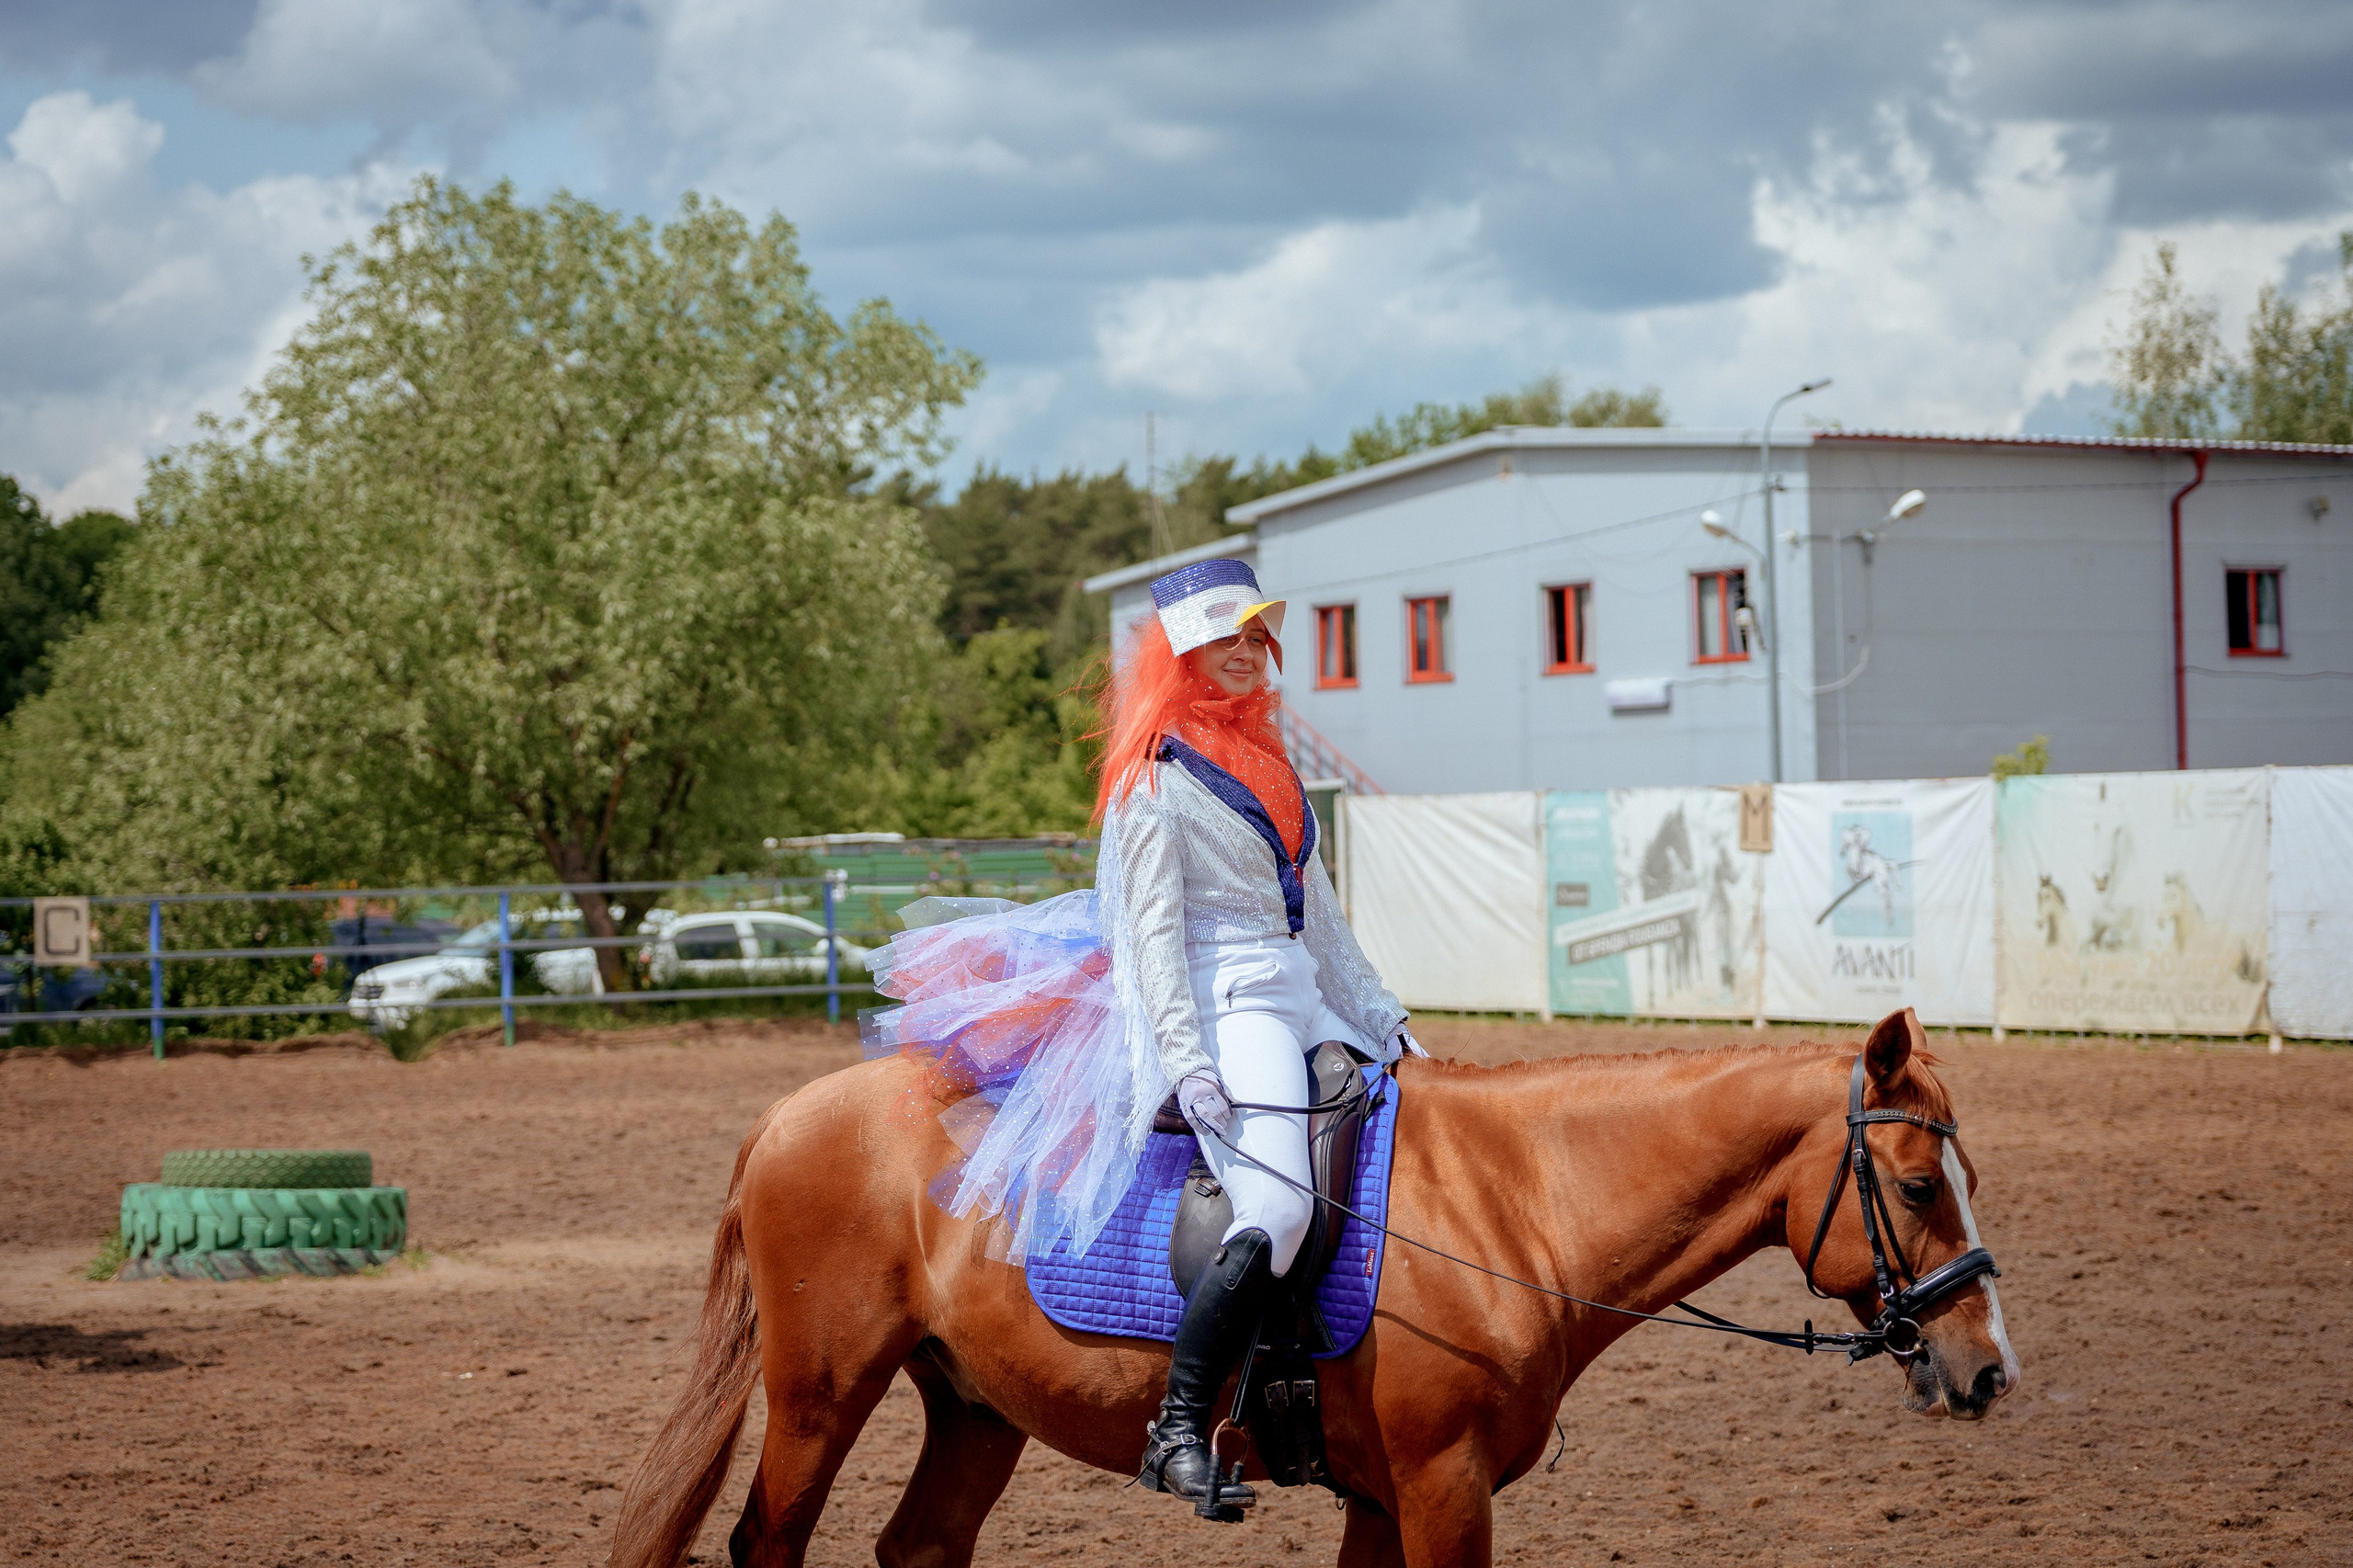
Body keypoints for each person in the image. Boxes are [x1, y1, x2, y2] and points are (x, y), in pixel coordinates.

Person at [858, 557, 1419, 1518]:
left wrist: (1389, 1021)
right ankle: (1177, 1427)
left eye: (1255, 638)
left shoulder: (1275, 767)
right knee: (1278, 1208)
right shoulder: (1153, 780)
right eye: (1223, 641)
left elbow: (1320, 924)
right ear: (1184, 657)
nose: (1246, 655)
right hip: (1217, 998)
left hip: (1297, 991)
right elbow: (1148, 937)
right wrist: (1189, 1059)